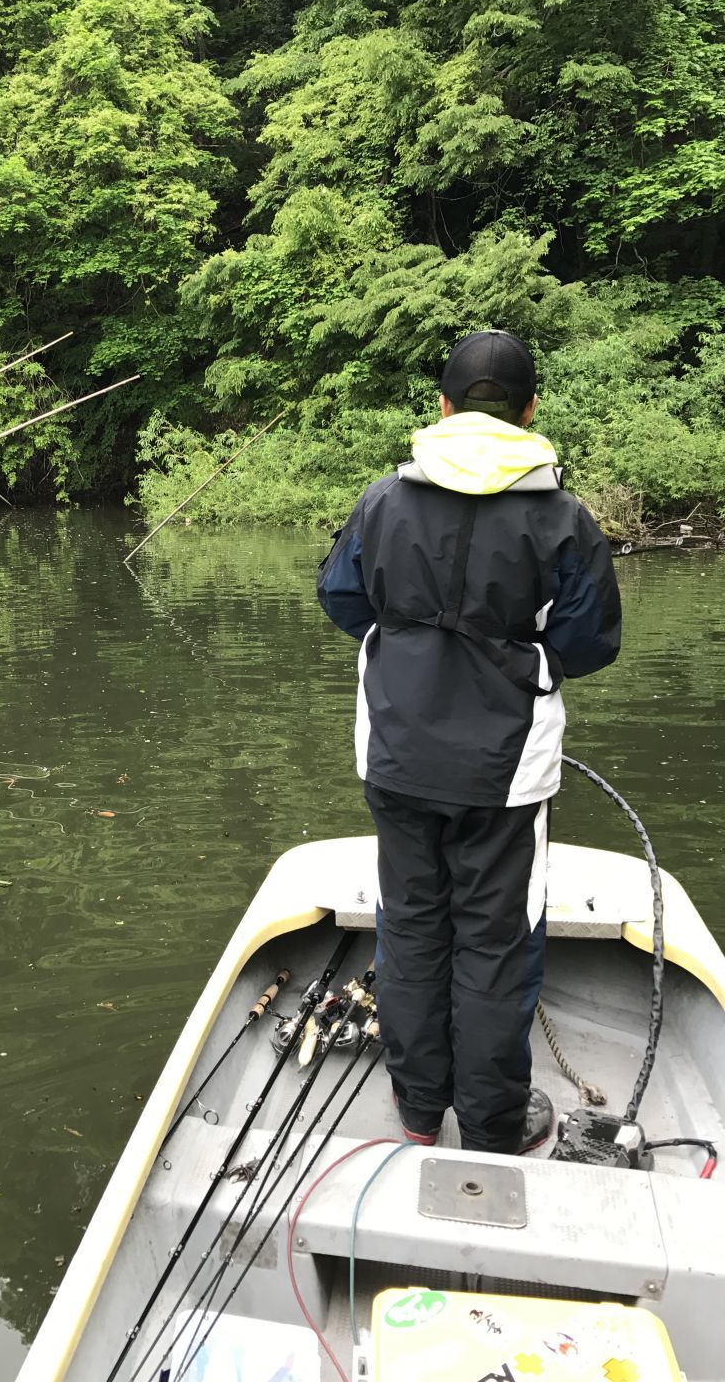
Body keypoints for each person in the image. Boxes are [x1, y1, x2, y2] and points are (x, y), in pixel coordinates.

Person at [316, 330, 621, 1155]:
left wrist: (413, 649)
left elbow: (342, 599)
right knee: (494, 943)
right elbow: (592, 643)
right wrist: (523, 661)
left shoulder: (382, 500)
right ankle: (491, 1128)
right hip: (506, 771)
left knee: (411, 931)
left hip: (398, 753)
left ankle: (419, 1115)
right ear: (529, 412)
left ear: (443, 408)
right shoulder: (564, 518)